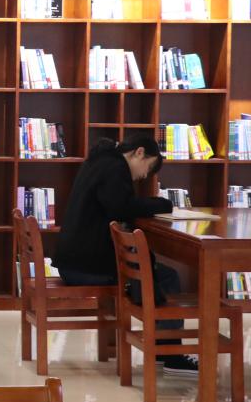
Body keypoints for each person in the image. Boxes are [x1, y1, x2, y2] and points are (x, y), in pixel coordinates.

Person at [53, 134, 197, 375]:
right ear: (139, 153)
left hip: (74, 261)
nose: (144, 175)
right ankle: (169, 353)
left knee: (159, 273)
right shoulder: (115, 168)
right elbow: (123, 208)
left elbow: (120, 206)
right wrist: (163, 204)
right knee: (168, 277)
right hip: (86, 266)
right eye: (147, 167)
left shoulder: (101, 161)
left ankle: (163, 348)